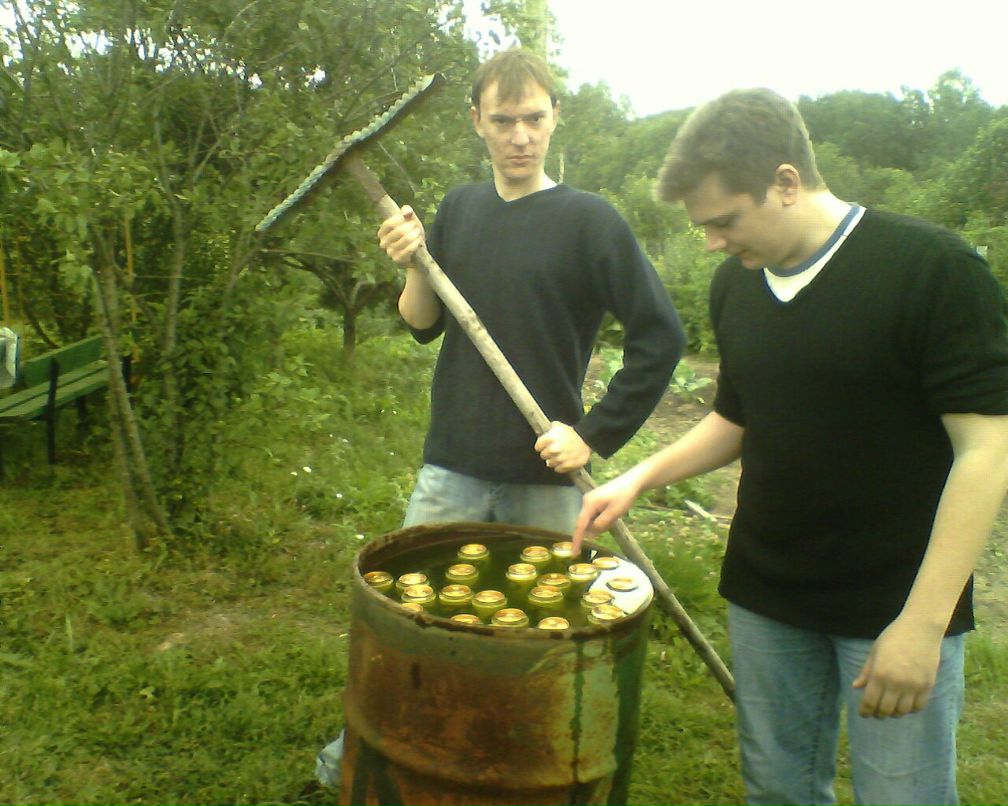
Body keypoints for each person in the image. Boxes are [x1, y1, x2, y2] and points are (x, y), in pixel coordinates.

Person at [573, 88, 1008, 806]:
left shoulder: (932, 269)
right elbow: (736, 419)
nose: (713, 243)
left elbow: (986, 451)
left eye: (724, 221)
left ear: (784, 182)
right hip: (767, 592)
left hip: (892, 602)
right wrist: (639, 478)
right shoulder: (736, 286)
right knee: (777, 789)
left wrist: (923, 624)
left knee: (902, 797)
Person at [314, 48, 685, 789]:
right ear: (476, 122)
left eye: (534, 119)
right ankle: (382, 749)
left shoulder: (590, 222)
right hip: (451, 462)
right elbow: (422, 323)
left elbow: (661, 336)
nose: (521, 136)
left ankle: (519, 766)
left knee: (539, 634)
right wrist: (414, 263)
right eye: (505, 120)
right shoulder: (460, 209)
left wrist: (593, 434)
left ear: (556, 118)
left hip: (545, 476)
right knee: (411, 617)